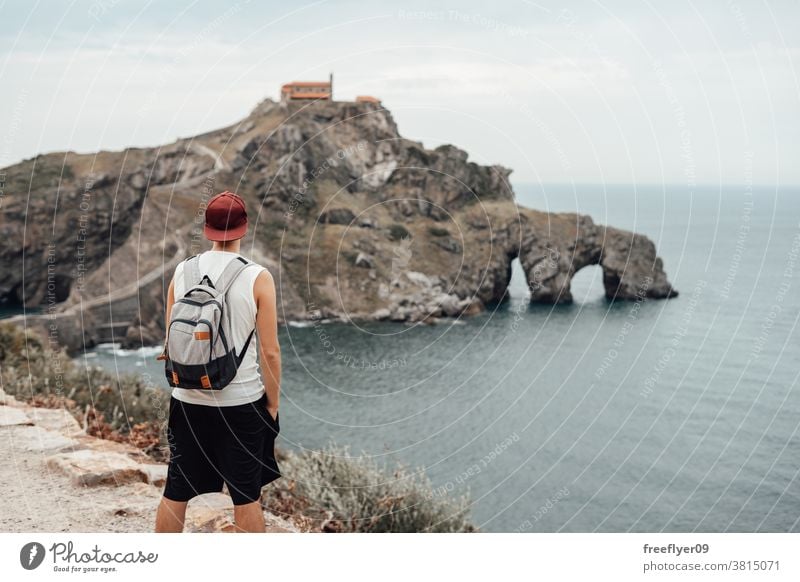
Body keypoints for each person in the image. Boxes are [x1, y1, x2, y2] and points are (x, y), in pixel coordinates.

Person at [154, 190, 282, 533]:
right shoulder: (258, 276)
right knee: (246, 495)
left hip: (186, 400)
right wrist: (272, 404)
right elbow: (270, 351)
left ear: (207, 227)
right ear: (245, 228)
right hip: (240, 402)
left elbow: (171, 339)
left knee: (176, 489)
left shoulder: (182, 271)